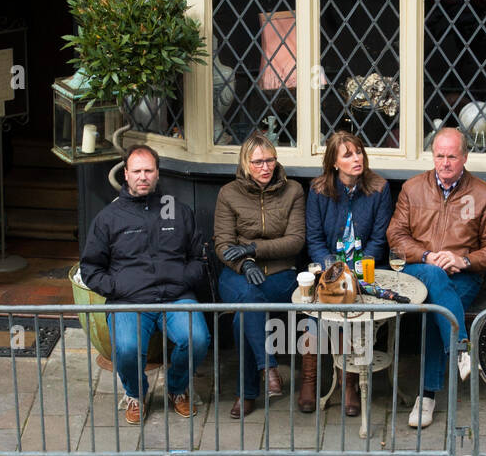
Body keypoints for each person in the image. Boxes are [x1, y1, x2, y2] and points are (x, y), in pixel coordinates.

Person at [386, 126, 486, 427]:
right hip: (418, 270)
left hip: (462, 276)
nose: (445, 163)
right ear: (433, 156)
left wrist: (463, 260)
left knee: (435, 313)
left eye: (452, 156)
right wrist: (427, 255)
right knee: (433, 274)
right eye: (440, 156)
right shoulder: (413, 188)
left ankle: (426, 397)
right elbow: (396, 235)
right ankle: (461, 348)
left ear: (465, 157)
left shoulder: (484, 194)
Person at [80, 145, 209, 422]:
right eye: (136, 171)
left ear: (157, 174)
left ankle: (177, 388)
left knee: (197, 339)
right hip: (129, 301)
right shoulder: (109, 218)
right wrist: (118, 288)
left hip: (176, 296)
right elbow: (90, 268)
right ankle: (135, 394)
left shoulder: (177, 211)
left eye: (148, 170)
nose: (143, 176)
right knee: (126, 349)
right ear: (125, 174)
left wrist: (182, 281)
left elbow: (198, 258)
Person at [301, 129, 393, 414]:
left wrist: (357, 270)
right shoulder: (318, 190)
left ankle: (348, 382)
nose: (357, 159)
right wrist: (335, 270)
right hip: (329, 267)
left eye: (359, 152)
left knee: (352, 313)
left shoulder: (379, 188)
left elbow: (379, 239)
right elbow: (314, 238)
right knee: (314, 312)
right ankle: (309, 380)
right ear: (334, 162)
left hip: (366, 267)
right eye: (348, 155)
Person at [214, 132, 306, 418]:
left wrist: (253, 249)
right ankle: (268, 367)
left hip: (280, 274)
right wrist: (245, 264)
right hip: (236, 274)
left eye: (270, 160)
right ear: (245, 163)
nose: (265, 167)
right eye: (257, 162)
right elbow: (223, 244)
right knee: (248, 298)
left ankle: (247, 393)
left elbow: (295, 241)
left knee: (244, 314)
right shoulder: (228, 193)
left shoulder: (293, 191)